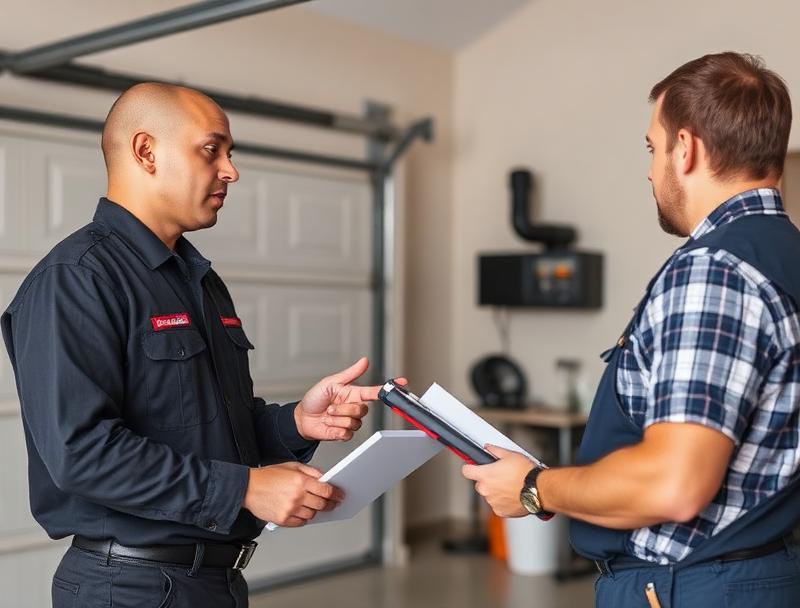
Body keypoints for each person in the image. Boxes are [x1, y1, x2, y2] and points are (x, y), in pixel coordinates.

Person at [1, 82, 398, 608]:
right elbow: (81, 452)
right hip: (129, 589)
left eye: (229, 154)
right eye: (212, 150)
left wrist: (296, 422)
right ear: (146, 152)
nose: (231, 170)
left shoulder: (197, 280)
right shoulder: (76, 278)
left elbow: (208, 429)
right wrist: (244, 489)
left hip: (213, 583)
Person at [463, 52, 800, 606]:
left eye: (653, 147)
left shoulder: (714, 271)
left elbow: (674, 483)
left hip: (693, 586)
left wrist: (533, 487)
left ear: (686, 148)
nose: (649, 169)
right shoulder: (784, 255)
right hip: (759, 569)